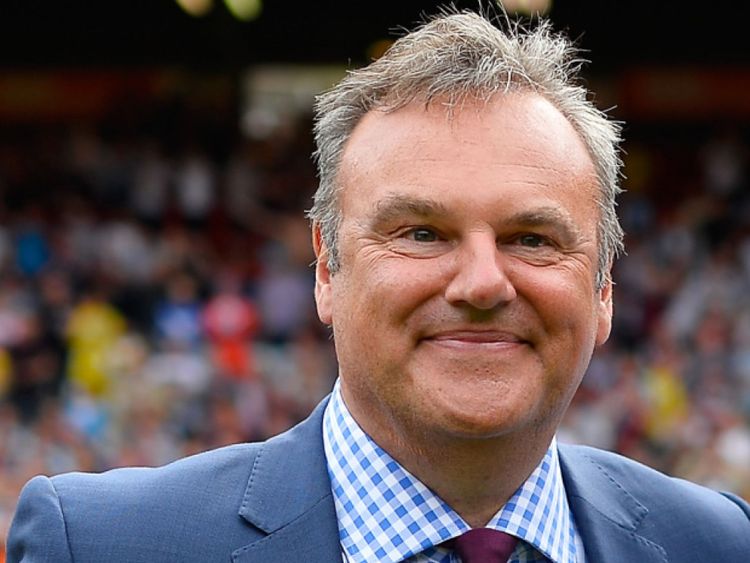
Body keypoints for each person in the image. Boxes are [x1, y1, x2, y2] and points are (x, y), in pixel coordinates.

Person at [7, 10, 750, 563]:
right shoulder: (104, 544)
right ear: (327, 269)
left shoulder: (716, 543)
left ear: (605, 288)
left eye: (532, 238)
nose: (483, 281)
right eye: (422, 232)